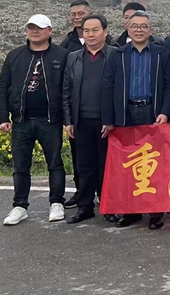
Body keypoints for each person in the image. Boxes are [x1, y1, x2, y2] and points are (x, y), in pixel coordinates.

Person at [102, 11, 170, 229]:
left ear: (151, 31)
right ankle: (131, 211)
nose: (139, 30)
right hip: (127, 114)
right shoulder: (118, 54)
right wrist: (109, 119)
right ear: (128, 29)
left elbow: (169, 86)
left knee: (154, 164)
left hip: (152, 112)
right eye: (135, 26)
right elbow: (107, 87)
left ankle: (155, 212)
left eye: (144, 26)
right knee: (128, 164)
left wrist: (165, 111)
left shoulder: (161, 54)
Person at [0, 14, 69, 225]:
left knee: (55, 163)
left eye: (39, 27)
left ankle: (57, 202)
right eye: (31, 27)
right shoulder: (14, 55)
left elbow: (68, 89)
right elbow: (3, 87)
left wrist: (68, 120)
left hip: (50, 120)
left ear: (50, 31)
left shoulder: (62, 55)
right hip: (22, 121)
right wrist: (3, 117)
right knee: (20, 166)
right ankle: (20, 206)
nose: (34, 31)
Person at [62, 14, 118, 224]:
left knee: (107, 166)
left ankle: (108, 205)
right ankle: (85, 207)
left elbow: (119, 90)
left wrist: (111, 119)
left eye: (95, 30)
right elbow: (66, 91)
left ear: (105, 32)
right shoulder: (73, 57)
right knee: (84, 166)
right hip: (81, 121)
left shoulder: (115, 55)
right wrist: (68, 121)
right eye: (87, 31)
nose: (90, 34)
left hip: (107, 122)